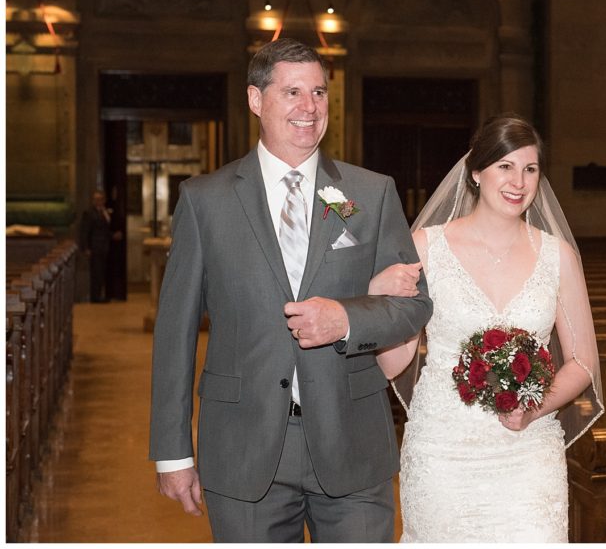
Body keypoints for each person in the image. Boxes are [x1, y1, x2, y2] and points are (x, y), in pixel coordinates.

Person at [148, 38, 432, 542]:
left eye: (319, 93)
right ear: (256, 100)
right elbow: (175, 332)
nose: (309, 108)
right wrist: (173, 451)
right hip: (243, 451)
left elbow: (413, 304)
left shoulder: (369, 193)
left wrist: (346, 320)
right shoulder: (205, 202)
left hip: (352, 445)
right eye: (293, 92)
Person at [370, 113, 604, 542]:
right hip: (442, 452)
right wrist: (379, 299)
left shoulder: (559, 257)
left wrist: (534, 407)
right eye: (505, 166)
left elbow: (584, 362)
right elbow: (392, 364)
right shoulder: (427, 247)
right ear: (476, 173)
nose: (519, 181)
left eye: (530, 168)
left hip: (528, 454)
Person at [80, 189, 121, 303]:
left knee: (102, 272)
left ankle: (100, 295)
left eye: (101, 199)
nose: (99, 201)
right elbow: (85, 231)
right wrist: (86, 247)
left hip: (104, 247)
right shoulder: (89, 213)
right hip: (95, 247)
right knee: (96, 273)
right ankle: (95, 297)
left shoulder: (104, 212)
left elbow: (104, 230)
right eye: (96, 199)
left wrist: (113, 235)